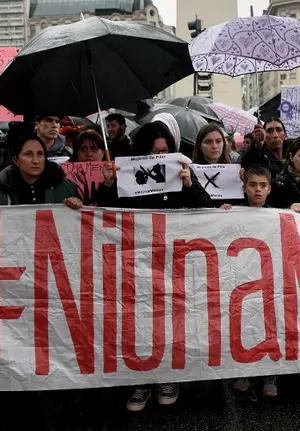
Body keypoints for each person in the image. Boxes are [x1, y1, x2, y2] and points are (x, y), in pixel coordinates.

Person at [94, 121, 210, 411]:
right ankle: (141, 380)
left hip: (174, 259)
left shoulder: (184, 170)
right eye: (153, 151)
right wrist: (108, 184)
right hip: (137, 258)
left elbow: (205, 209)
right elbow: (104, 212)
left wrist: (189, 183)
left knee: (170, 317)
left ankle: (168, 376)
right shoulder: (126, 174)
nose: (161, 155)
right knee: (141, 318)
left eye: (165, 150)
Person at [220, 165, 278, 397]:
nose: (258, 190)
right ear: (244, 188)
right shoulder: (234, 212)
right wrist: (219, 215)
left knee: (271, 324)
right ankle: (244, 371)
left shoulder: (278, 214)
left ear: (270, 189)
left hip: (269, 280)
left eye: (263, 186)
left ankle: (271, 374)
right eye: (253, 185)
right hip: (242, 280)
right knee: (245, 325)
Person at [0, 134, 82, 208]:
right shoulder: (0, 194)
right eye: (28, 154)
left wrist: (76, 205)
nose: (36, 161)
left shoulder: (67, 188)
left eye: (40, 154)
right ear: (16, 160)